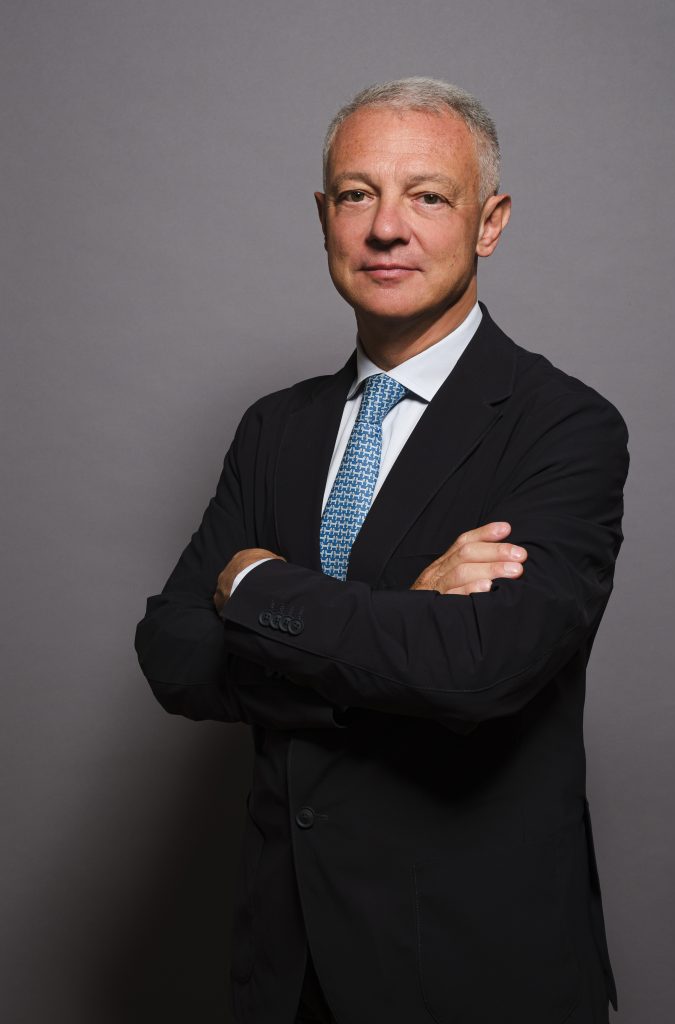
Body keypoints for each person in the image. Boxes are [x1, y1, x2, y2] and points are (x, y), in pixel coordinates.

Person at [135, 76, 629, 1024]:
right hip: (287, 966)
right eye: (357, 194)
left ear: (489, 223)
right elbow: (172, 652)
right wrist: (401, 622)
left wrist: (256, 588)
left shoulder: (563, 427)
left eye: (427, 196)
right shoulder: (274, 428)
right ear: (324, 217)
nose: (385, 228)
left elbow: (478, 670)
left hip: (473, 972)